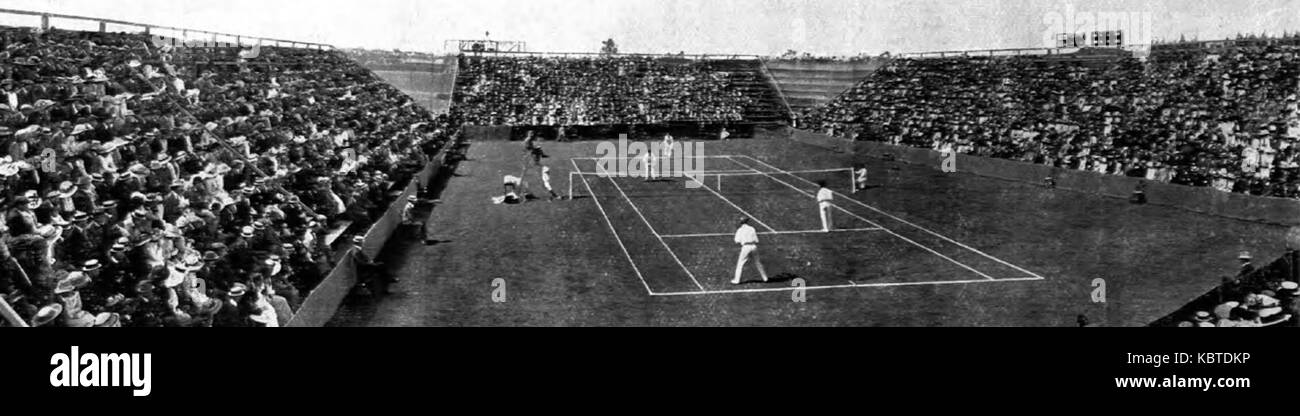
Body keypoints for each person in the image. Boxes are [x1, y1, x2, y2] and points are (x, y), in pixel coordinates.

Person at [731, 217, 769, 285]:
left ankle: (737, 280)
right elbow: (757, 240)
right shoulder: (752, 228)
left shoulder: (740, 230)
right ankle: (765, 278)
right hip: (754, 246)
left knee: (740, 264)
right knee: (758, 262)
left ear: (741, 223)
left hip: (746, 247)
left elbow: (736, 241)